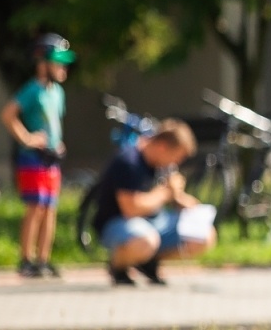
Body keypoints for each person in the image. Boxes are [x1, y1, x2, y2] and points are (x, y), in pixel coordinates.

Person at [89, 118, 216, 286]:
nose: (176, 163)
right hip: (119, 222)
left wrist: (185, 202)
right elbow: (131, 208)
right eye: (176, 157)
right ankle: (118, 265)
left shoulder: (161, 165)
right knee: (147, 241)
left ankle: (147, 261)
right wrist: (165, 193)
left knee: (204, 235)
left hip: (154, 221)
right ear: (163, 146)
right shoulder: (129, 162)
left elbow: (169, 197)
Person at [0, 34, 75, 277]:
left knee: (50, 208)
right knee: (36, 208)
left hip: (51, 160)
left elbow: (54, 123)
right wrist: (27, 139)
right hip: (33, 159)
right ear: (43, 62)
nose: (63, 67)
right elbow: (8, 114)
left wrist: (58, 143)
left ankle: (43, 259)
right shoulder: (32, 90)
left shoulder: (58, 93)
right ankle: (26, 260)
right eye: (58, 61)